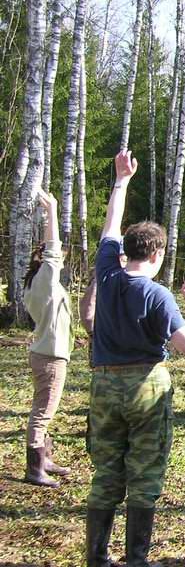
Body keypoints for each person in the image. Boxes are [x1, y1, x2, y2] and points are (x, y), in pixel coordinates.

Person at [86, 150, 185, 567]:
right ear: (155, 255)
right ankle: (136, 559)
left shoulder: (108, 272)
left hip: (103, 383)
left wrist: (121, 181)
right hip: (145, 386)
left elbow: (110, 226)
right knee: (145, 473)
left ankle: (97, 558)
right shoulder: (157, 294)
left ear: (126, 251)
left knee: (105, 473)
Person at [22, 189, 73, 488]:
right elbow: (53, 247)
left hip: (45, 354)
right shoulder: (45, 281)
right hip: (50, 358)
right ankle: (34, 468)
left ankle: (46, 458)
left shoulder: (36, 284)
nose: (62, 259)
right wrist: (51, 211)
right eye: (57, 258)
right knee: (43, 412)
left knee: (44, 407)